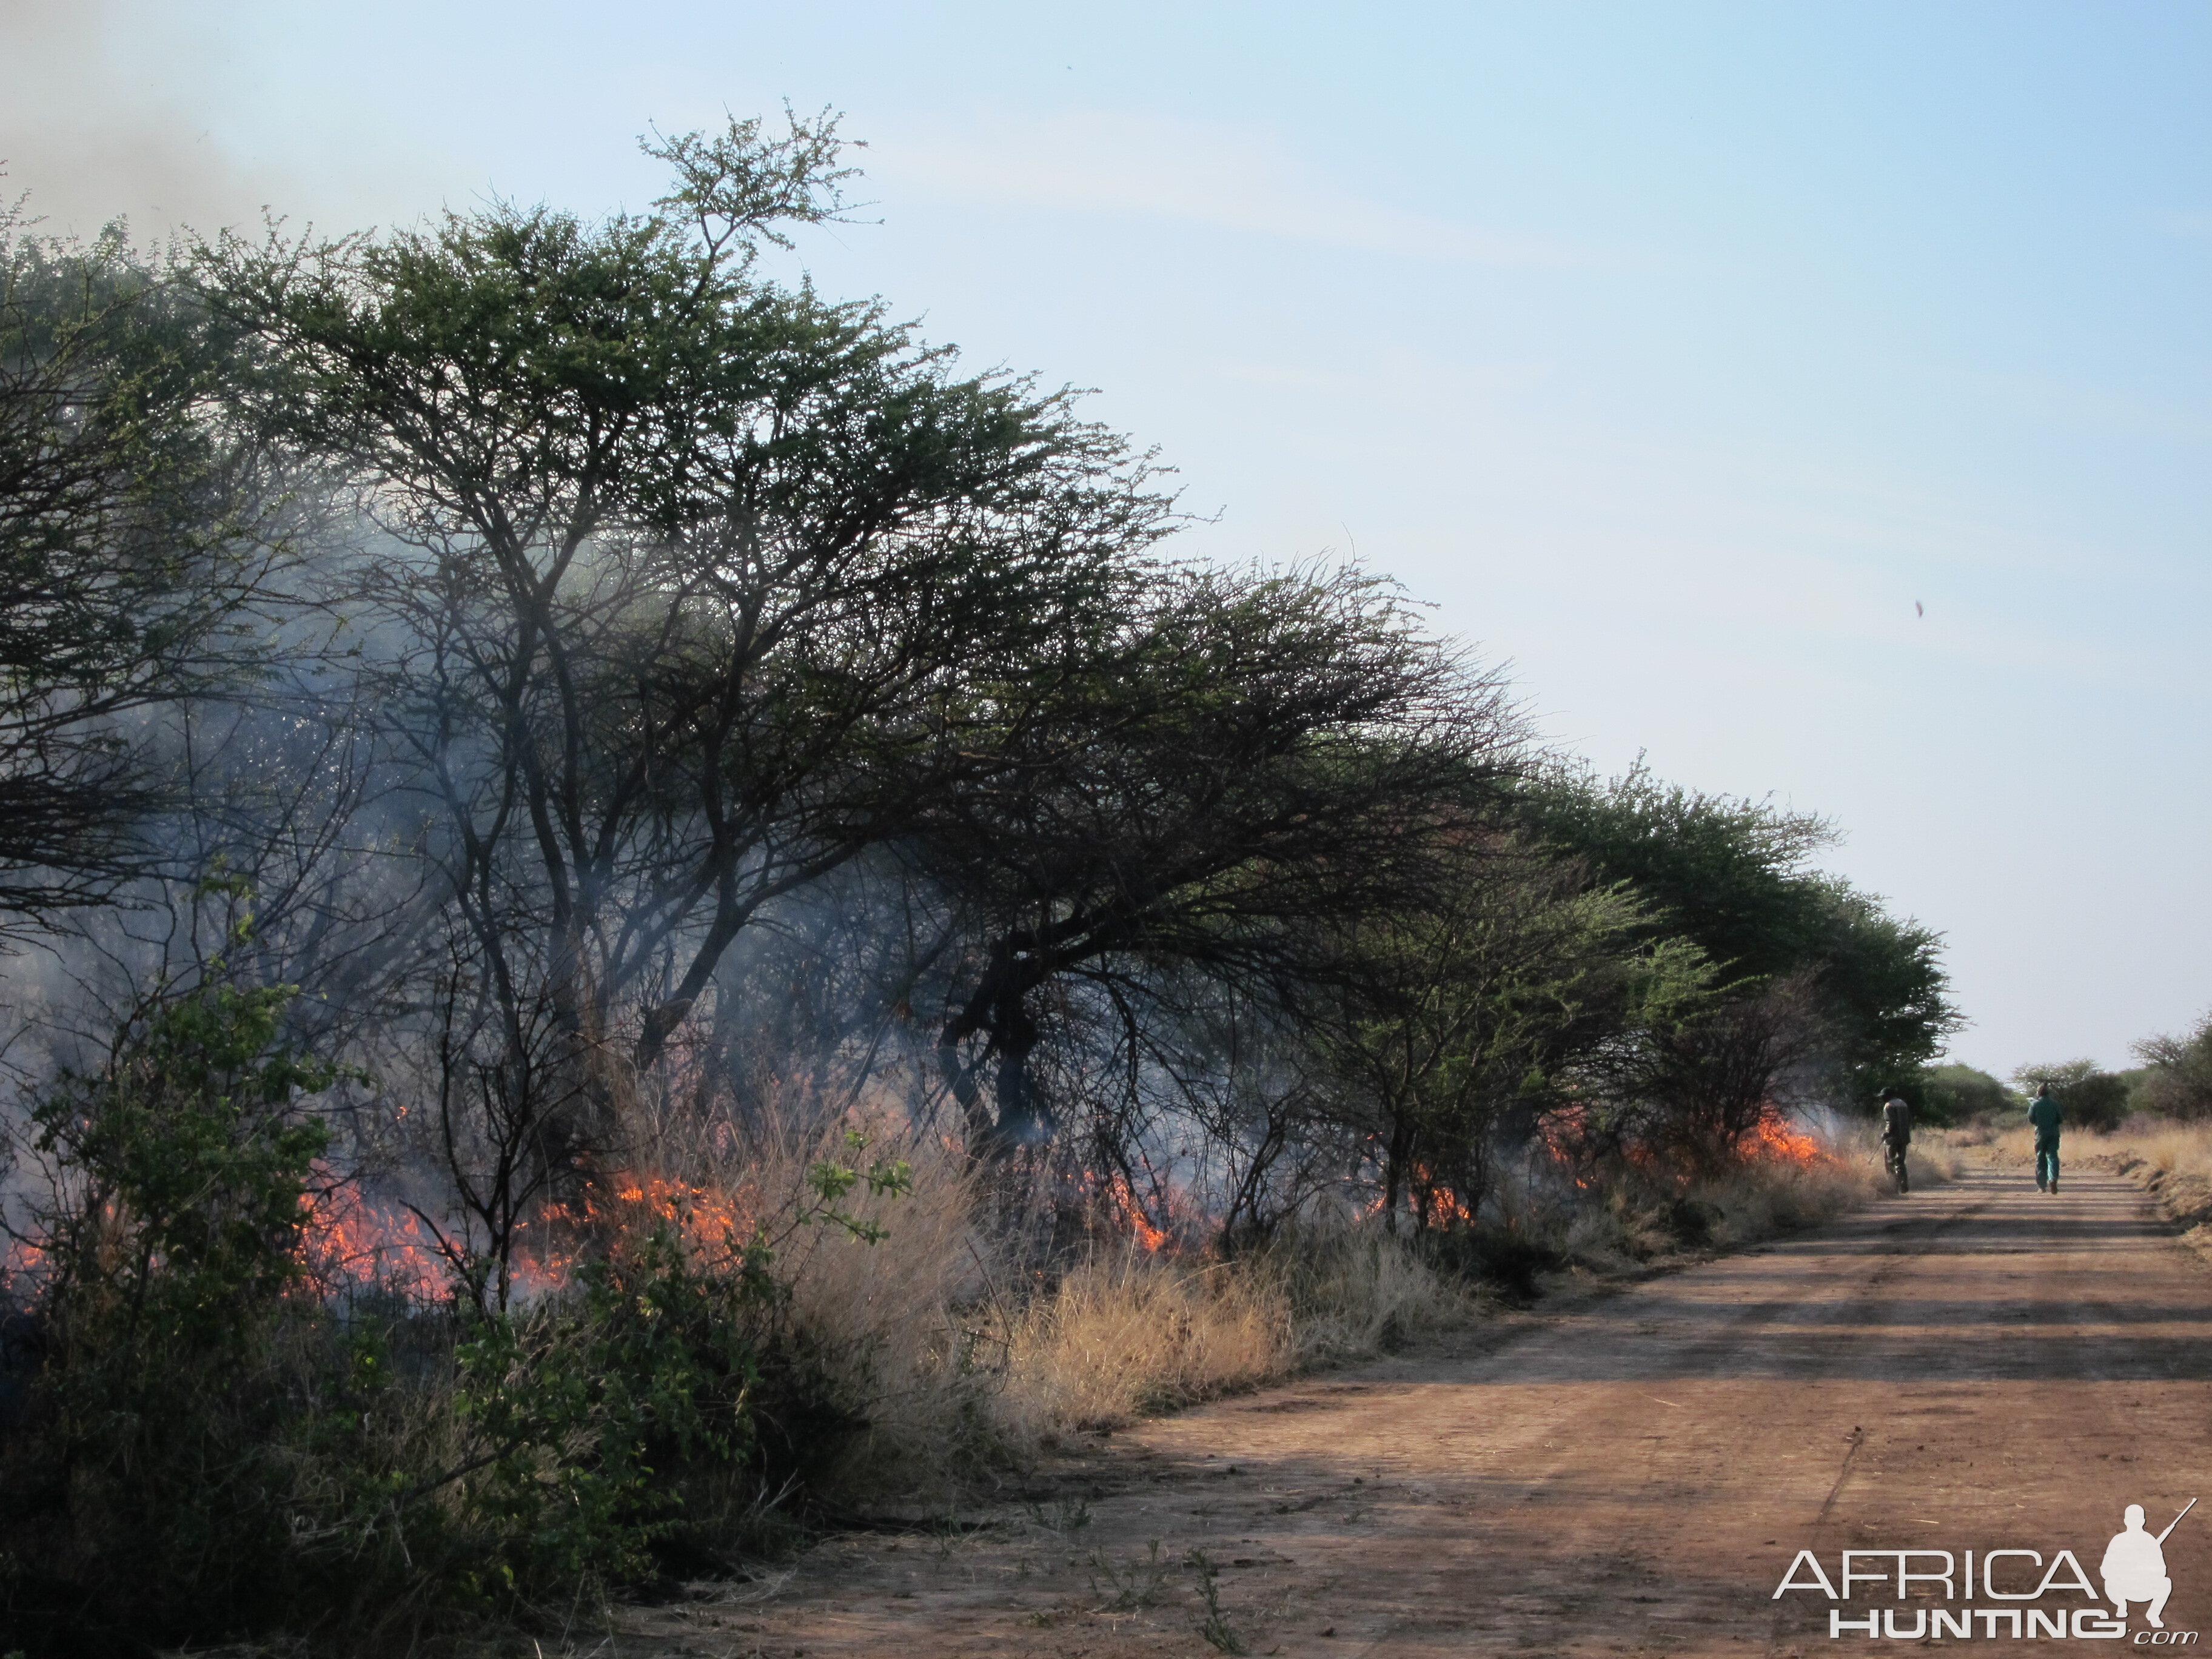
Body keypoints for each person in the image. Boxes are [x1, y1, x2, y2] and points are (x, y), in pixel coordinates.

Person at [2100, 1504, 2173, 1629]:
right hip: (2122, 1589)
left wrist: (2144, 1570)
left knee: (2166, 1583)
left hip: (2144, 1589)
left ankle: (2153, 1614)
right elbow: (2105, 1570)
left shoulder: (2150, 1541)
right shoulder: (2118, 1540)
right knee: (2109, 1582)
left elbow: (2162, 1571)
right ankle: (2121, 1605)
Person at [2028, 1082, 2063, 1193]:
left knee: (2040, 1158)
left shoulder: (2035, 1104)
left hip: (2041, 1134)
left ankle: (2042, 1186)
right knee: (2053, 1156)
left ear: (2038, 1093)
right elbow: (2060, 1119)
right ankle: (2053, 1179)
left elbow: (2031, 1119)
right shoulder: (2055, 1104)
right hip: (2053, 1133)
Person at [1879, 1092, 1912, 1190]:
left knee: (1890, 1162)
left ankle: (1893, 1187)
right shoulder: (1903, 1104)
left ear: (1886, 1096)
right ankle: (1903, 1182)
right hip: (1904, 1137)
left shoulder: (1889, 1105)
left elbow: (1891, 1122)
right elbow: (1909, 1120)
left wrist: (1886, 1133)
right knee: (1900, 1161)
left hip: (1892, 1139)